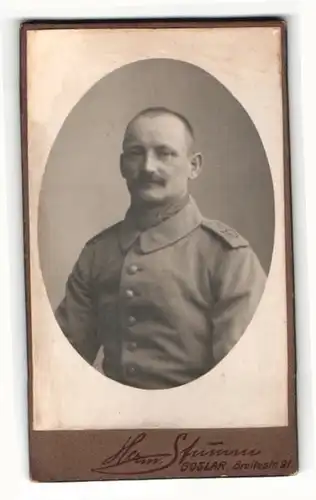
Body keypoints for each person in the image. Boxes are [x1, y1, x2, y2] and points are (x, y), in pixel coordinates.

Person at [55, 106, 266, 390]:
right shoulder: (97, 253)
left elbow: (243, 380)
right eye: (135, 153)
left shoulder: (229, 257)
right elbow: (61, 368)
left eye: (165, 153)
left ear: (194, 166)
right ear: (121, 165)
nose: (147, 168)